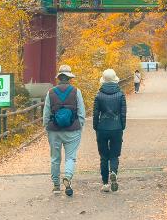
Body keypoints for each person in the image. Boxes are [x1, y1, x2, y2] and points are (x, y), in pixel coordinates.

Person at [44, 64, 85, 197]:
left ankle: (56, 185)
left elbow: (46, 113)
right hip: (72, 130)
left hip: (54, 131)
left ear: (59, 78)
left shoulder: (50, 92)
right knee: (70, 157)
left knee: (55, 158)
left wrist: (47, 128)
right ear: (69, 78)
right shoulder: (76, 91)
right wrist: (79, 126)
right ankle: (67, 176)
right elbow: (81, 112)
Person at [92, 68, 127, 192]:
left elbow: (95, 114)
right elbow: (123, 113)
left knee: (103, 156)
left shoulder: (98, 95)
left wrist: (95, 126)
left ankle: (105, 183)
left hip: (102, 128)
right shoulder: (121, 94)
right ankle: (113, 172)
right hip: (116, 127)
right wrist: (122, 126)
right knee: (114, 155)